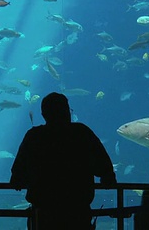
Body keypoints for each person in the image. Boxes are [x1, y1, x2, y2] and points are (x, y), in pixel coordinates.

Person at [10, 92, 117, 230]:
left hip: (43, 215)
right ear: (67, 111)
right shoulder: (82, 133)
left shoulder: (34, 137)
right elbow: (104, 167)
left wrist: (21, 180)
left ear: (44, 115)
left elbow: (17, 174)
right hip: (77, 213)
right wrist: (107, 177)